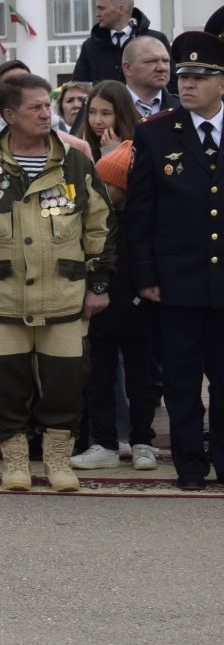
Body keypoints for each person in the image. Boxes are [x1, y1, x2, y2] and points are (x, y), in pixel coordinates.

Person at [0, 72, 113, 492]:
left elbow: (102, 229)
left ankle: (58, 460)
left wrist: (98, 286)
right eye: (35, 108)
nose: (47, 113)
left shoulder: (76, 162)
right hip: (1, 300)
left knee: (66, 384)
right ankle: (16, 459)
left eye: (48, 105)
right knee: (5, 385)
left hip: (64, 298)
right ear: (9, 116)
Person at [124, 30, 224, 491]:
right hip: (177, 278)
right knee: (182, 380)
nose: (187, 84)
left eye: (200, 76)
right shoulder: (156, 132)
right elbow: (141, 212)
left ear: (221, 83)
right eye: (183, 75)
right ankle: (189, 462)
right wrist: (145, 275)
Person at [70, 138, 160, 472]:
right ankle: (104, 441)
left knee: (142, 380)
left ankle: (143, 442)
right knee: (98, 378)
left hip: (138, 309)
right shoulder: (93, 218)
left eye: (108, 182)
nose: (101, 188)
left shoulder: (143, 221)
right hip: (100, 312)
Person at [71, 0, 169, 85]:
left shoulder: (156, 40)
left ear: (121, 9)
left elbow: (171, 81)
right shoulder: (90, 46)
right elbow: (79, 86)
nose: (97, 14)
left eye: (102, 8)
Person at [70, 81, 140, 163]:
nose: (97, 121)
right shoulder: (77, 146)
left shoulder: (140, 145)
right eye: (92, 112)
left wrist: (115, 155)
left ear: (122, 115)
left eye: (105, 113)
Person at [121, 35, 180, 120]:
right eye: (151, 61)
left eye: (165, 61)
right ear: (128, 68)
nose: (162, 68)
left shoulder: (184, 109)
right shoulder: (108, 107)